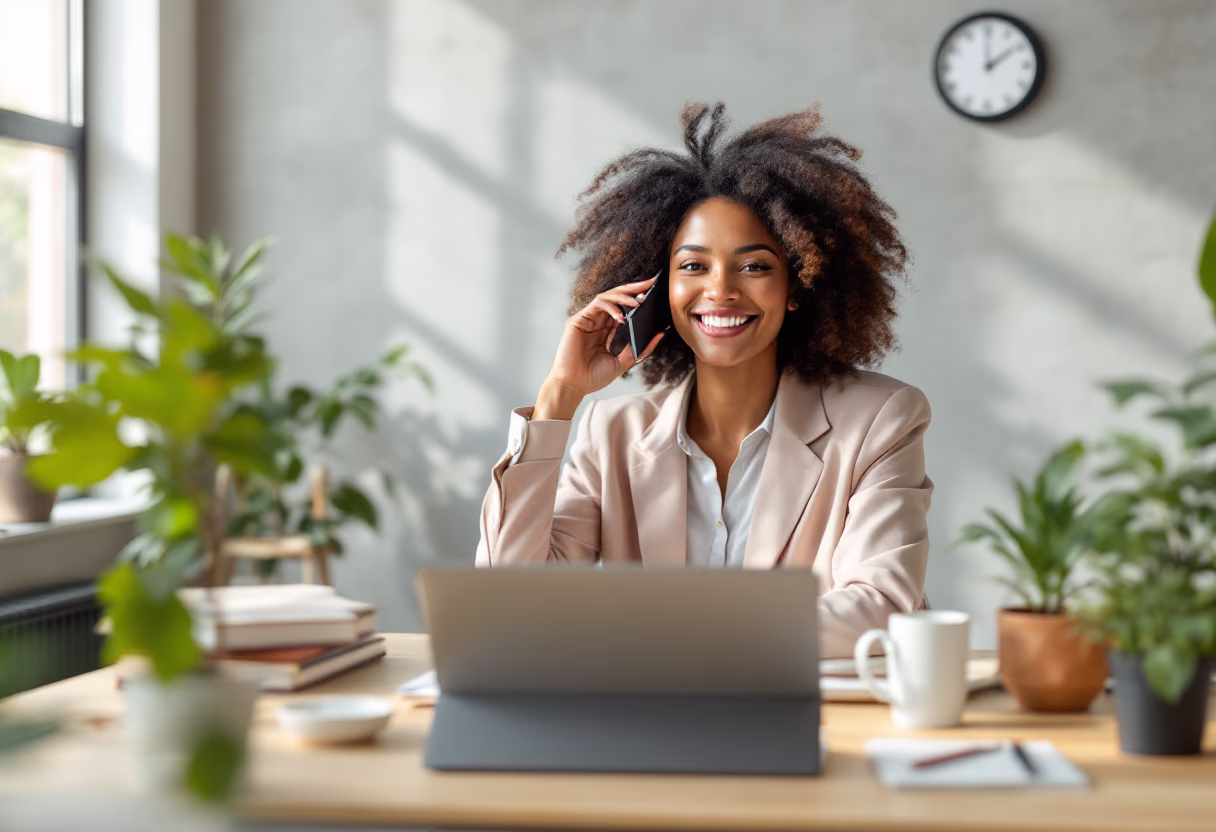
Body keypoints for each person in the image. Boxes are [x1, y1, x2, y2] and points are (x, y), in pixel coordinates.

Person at [475, 102, 932, 658]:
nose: (720, 291)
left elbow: (879, 606)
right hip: (656, 717)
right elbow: (509, 597)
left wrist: (682, 638)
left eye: (755, 266)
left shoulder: (880, 419)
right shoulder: (611, 431)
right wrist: (559, 400)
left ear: (797, 286)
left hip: (807, 715)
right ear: (658, 289)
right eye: (693, 266)